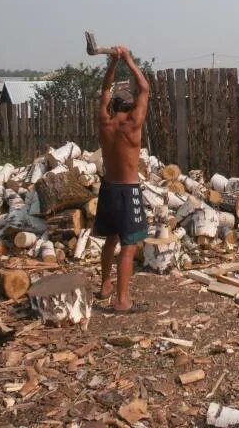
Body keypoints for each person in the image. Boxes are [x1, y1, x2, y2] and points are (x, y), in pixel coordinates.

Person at [94, 45, 150, 313]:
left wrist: (112, 64)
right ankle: (122, 300)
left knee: (111, 239)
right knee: (128, 246)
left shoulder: (104, 122)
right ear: (129, 105)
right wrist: (128, 57)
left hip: (108, 188)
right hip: (128, 191)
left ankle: (106, 284)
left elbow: (104, 90)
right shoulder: (133, 123)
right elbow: (145, 88)